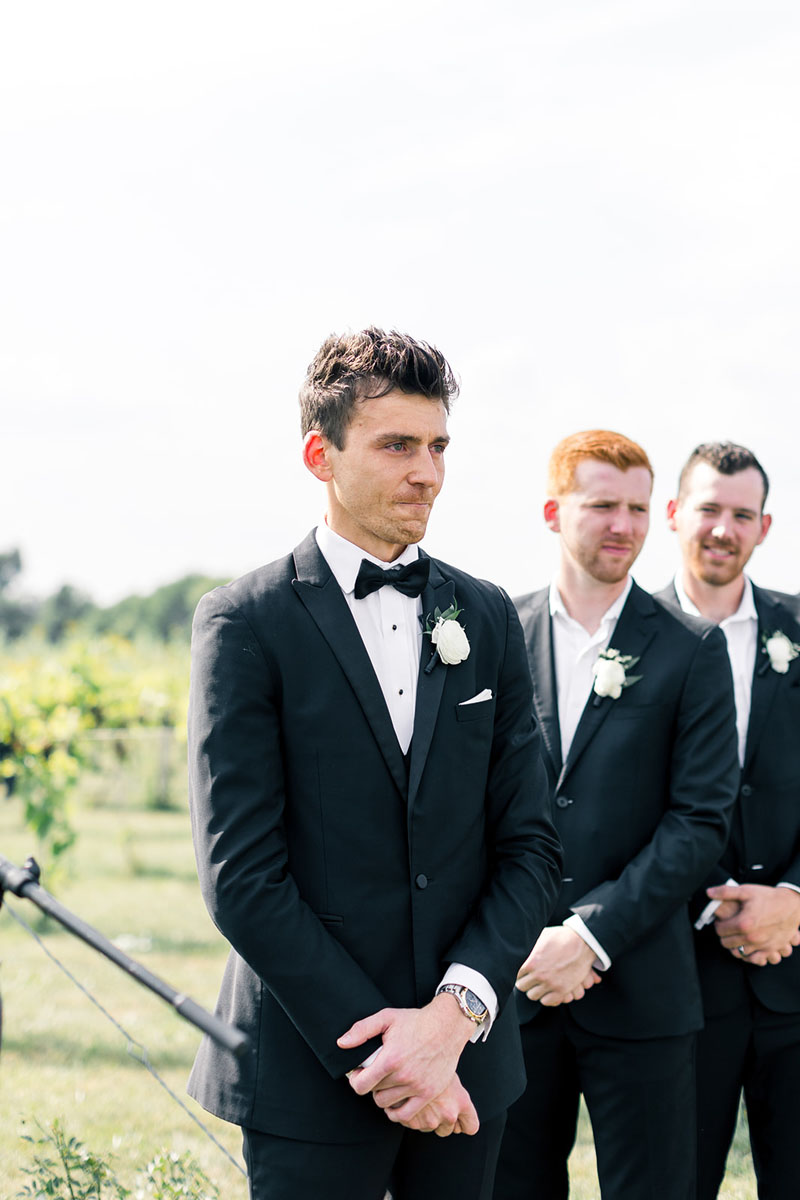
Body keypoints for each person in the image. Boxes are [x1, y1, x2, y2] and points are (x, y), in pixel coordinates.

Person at [186, 327, 562, 1200]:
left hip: (468, 1063)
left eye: (438, 446)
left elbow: (533, 847)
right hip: (310, 1074)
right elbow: (241, 877)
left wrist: (452, 1019)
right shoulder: (245, 622)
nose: (427, 472)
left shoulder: (490, 615)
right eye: (398, 445)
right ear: (322, 454)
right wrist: (394, 1052)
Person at [493, 429, 740, 1200]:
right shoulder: (496, 632)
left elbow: (700, 820)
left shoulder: (692, 648)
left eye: (637, 508)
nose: (623, 526)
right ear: (551, 511)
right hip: (514, 984)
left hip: (644, 992)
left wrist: (592, 935)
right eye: (602, 505)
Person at [658, 441, 800, 1199]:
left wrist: (793, 899)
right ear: (675, 514)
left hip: (796, 969)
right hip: (673, 981)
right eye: (708, 508)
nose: (723, 528)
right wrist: (714, 898)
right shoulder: (631, 636)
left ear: (764, 527)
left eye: (741, 514)